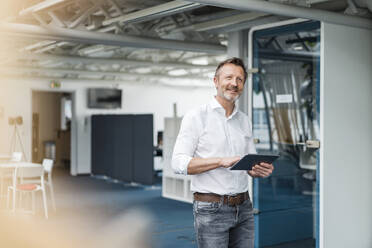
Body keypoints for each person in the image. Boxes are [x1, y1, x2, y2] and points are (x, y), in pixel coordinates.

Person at [172, 57, 274, 248]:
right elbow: (178, 163)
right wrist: (220, 161)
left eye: (240, 79)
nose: (234, 83)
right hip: (211, 208)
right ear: (216, 81)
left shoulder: (244, 120)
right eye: (229, 78)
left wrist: (257, 169)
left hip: (244, 206)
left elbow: (248, 162)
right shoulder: (196, 116)